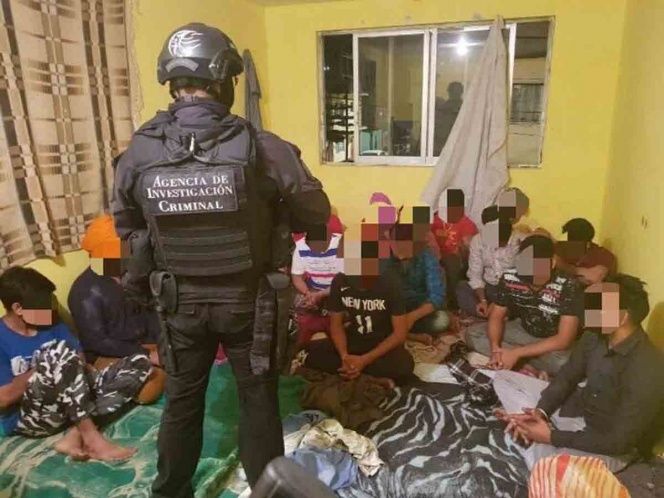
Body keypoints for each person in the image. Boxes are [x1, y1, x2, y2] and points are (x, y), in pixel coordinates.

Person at [111, 23, 331, 497]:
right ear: (223, 80)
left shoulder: (140, 151)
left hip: (178, 303)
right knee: (257, 400)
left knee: (181, 401)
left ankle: (170, 492)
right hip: (249, 302)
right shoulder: (261, 145)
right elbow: (316, 210)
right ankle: (270, 491)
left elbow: (127, 227)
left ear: (174, 83)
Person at [496, 275, 664, 472]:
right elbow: (568, 376)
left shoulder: (649, 366)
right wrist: (540, 411)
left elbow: (619, 442)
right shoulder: (594, 336)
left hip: (607, 443)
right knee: (503, 378)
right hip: (577, 410)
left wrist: (552, 437)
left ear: (622, 316)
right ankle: (534, 432)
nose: (587, 313)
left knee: (551, 468)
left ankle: (535, 439)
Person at [0, 267, 151, 461]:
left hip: (72, 403)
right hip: (30, 417)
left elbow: (78, 359)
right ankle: (92, 438)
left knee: (140, 362)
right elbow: (4, 398)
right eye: (41, 304)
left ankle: (75, 433)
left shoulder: (50, 321)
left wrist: (64, 367)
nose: (49, 309)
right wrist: (46, 368)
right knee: (56, 353)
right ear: (18, 308)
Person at [302, 208, 414, 385]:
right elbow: (336, 325)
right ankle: (366, 375)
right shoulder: (340, 281)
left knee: (404, 365)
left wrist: (364, 360)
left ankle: (359, 373)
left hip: (380, 344)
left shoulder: (391, 282)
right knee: (312, 356)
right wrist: (344, 356)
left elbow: (400, 333)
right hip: (353, 340)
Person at [69, 214, 166, 404]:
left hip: (144, 345)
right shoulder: (84, 291)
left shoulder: (131, 276)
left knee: (186, 354)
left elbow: (150, 312)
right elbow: (98, 342)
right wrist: (147, 355)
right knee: (150, 387)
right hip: (111, 354)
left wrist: (162, 343)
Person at [465, 235, 583, 375]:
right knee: (473, 334)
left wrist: (517, 353)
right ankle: (513, 358)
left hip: (552, 341)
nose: (533, 285)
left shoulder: (569, 285)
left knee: (564, 363)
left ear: (552, 263)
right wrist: (495, 348)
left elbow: (564, 339)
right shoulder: (510, 277)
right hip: (523, 331)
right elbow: (496, 316)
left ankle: (515, 357)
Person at [383, 206, 449, 344]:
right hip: (391, 310)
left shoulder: (426, 254)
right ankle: (410, 335)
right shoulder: (383, 254)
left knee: (441, 320)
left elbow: (437, 296)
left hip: (417, 308)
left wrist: (412, 317)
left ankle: (401, 332)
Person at [456, 205, 523, 318]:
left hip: (511, 291)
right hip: (489, 288)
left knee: (520, 301)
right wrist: (483, 300)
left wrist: (501, 300)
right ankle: (490, 314)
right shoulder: (478, 240)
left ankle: (495, 315)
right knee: (462, 287)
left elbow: (523, 279)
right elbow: (475, 275)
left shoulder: (519, 241)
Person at [291, 215, 344, 347]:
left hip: (338, 290)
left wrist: (320, 295)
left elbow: (345, 282)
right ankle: (300, 349)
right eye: (314, 248)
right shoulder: (301, 247)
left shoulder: (342, 245)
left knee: (337, 319)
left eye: (322, 247)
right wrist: (308, 293)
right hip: (313, 289)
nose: (319, 252)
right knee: (298, 308)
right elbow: (296, 278)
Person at [430, 188, 478, 309]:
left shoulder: (467, 224)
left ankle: (452, 305)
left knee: (451, 261)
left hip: (455, 260)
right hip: (433, 256)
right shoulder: (433, 220)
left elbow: (471, 249)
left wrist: (465, 247)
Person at [555, 218, 616, 286]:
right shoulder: (561, 248)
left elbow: (594, 278)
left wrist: (569, 270)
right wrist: (577, 271)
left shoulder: (603, 255)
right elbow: (553, 260)